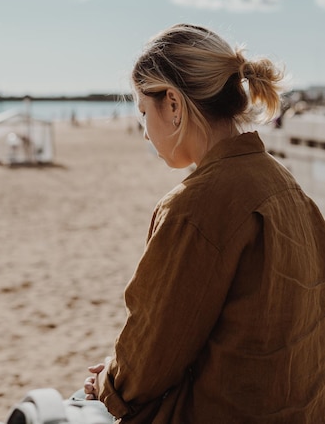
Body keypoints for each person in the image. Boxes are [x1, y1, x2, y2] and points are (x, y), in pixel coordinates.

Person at [82, 23, 325, 423]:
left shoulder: (194, 208)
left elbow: (152, 356)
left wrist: (109, 382)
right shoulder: (286, 186)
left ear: (174, 106)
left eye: (144, 112)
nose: (145, 132)